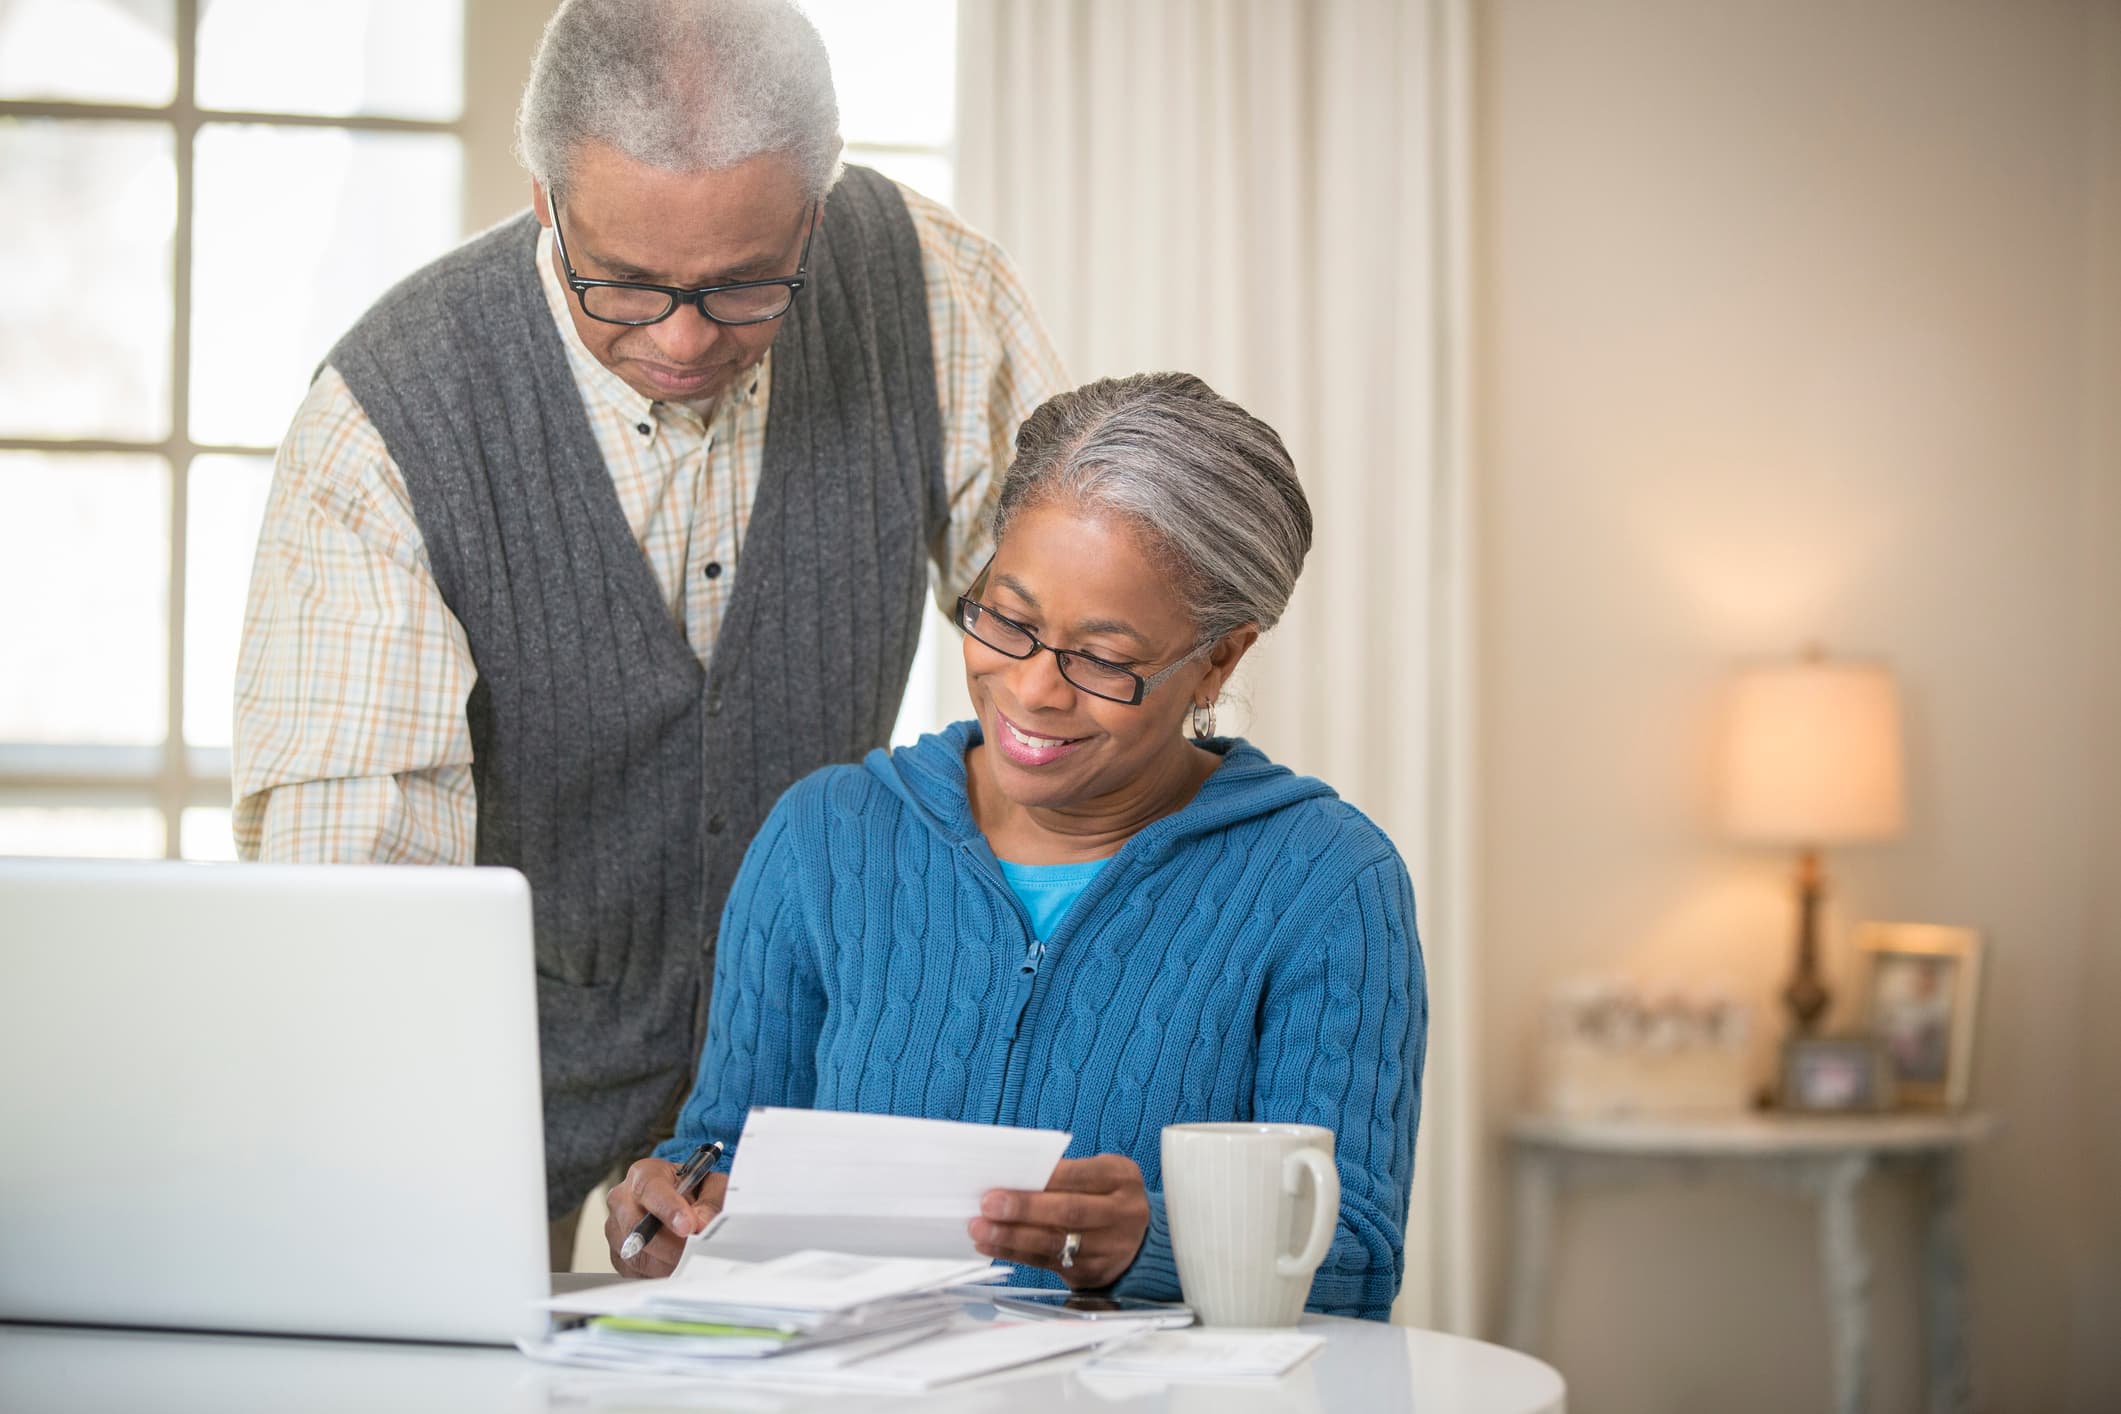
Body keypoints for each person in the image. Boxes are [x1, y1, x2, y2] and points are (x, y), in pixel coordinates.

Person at [230, 0, 1064, 1267]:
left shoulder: (932, 295)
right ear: (546, 202)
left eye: (742, 287)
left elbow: (1075, 660)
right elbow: (359, 927)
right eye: (621, 283)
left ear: (814, 214)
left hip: (835, 1122)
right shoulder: (386, 426)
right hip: (495, 1154)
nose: (681, 339)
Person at [605, 373, 1428, 1320]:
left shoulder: (1326, 882)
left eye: (1104, 658)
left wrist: (1147, 1243)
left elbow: (1359, 1253)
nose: (1033, 690)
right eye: (1009, 619)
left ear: (1219, 659)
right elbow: (724, 1151)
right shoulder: (825, 836)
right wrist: (671, 1204)